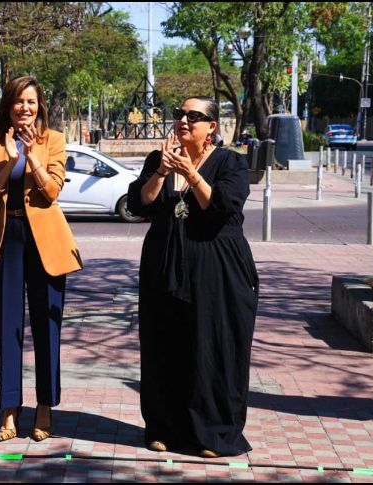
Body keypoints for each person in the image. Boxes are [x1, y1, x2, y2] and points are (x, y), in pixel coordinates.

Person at [126, 96, 258, 458]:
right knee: (164, 346)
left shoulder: (231, 162)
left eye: (194, 116)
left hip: (218, 268)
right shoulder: (159, 160)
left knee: (213, 347)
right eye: (179, 114)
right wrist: (163, 172)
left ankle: (213, 434)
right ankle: (164, 428)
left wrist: (191, 173)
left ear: (211, 126)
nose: (184, 120)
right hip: (164, 264)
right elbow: (140, 204)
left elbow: (221, 207)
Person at [0, 76, 82, 443]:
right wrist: (8, 162)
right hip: (7, 240)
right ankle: (8, 408)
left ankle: (45, 407)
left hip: (45, 243)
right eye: (19, 101)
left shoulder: (54, 140)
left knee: (46, 328)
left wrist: (33, 158)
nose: (25, 108)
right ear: (9, 106)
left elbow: (51, 192)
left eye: (31, 102)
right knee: (8, 328)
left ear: (40, 106)